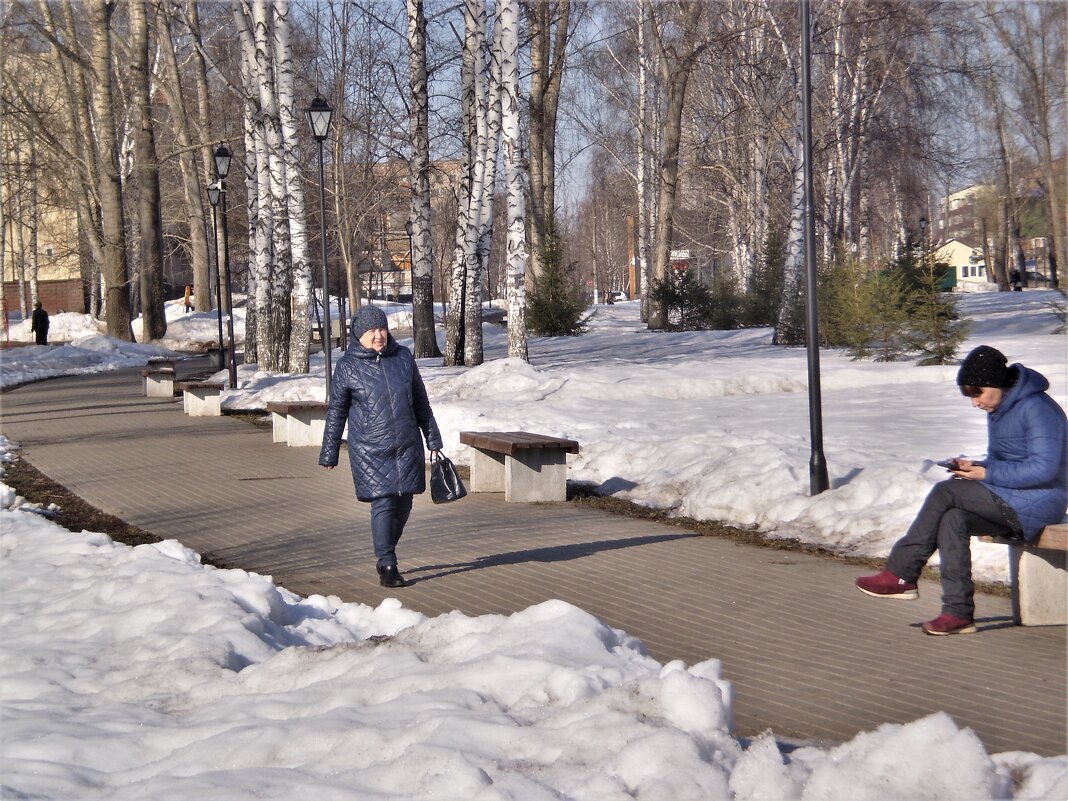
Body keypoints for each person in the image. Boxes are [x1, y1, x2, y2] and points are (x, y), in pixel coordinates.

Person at [856, 345, 1067, 635]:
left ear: (996, 384)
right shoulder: (1001, 410)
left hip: (1042, 501)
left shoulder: (1037, 408)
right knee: (952, 517)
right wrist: (975, 467)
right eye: (970, 396)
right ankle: (958, 613)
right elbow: (1003, 461)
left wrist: (987, 473)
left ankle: (902, 573)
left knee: (946, 492)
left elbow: (1044, 470)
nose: (974, 403)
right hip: (1014, 499)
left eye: (977, 393)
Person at [319, 305, 443, 588]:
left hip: (406, 445)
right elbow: (337, 411)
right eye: (372, 331)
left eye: (382, 329)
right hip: (370, 449)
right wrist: (330, 451)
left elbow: (421, 402)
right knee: (384, 502)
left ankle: (386, 547)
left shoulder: (403, 357)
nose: (378, 335)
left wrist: (433, 438)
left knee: (406, 502)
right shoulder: (348, 366)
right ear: (359, 335)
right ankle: (387, 564)